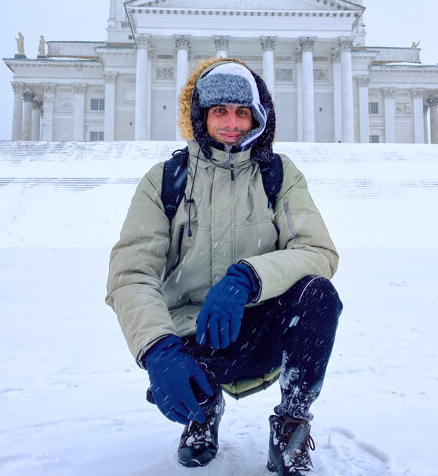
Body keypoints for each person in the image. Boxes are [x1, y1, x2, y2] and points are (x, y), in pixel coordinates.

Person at [106, 57, 342, 475]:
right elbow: (131, 273)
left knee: (318, 295)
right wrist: (156, 348)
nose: (232, 123)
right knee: (178, 361)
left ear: (258, 117)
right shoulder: (165, 180)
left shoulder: (278, 175)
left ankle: (292, 424)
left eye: (241, 112)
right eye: (220, 111)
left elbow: (318, 252)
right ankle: (202, 411)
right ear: (201, 116)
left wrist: (250, 277)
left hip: (262, 327)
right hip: (194, 338)